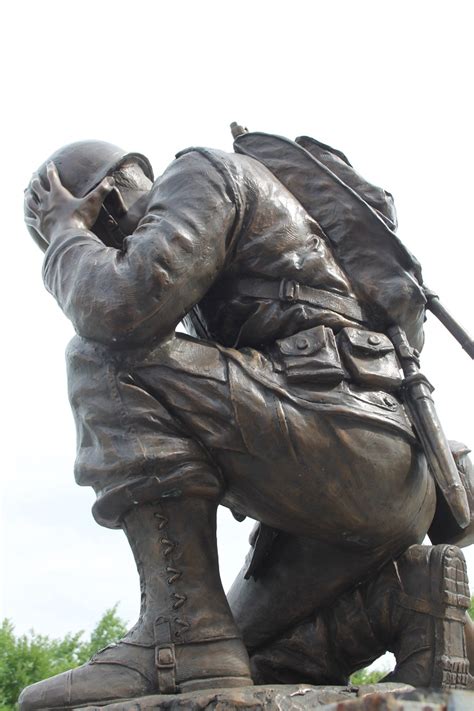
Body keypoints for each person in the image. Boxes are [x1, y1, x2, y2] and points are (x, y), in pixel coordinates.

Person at [20, 132, 473, 708]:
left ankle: (178, 638)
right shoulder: (234, 244)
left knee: (103, 357)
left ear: (105, 201)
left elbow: (117, 309)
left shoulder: (200, 175)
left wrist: (62, 233)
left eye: (96, 236)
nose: (99, 254)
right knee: (249, 657)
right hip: (375, 477)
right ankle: (406, 595)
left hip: (350, 442)